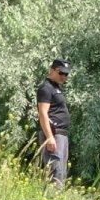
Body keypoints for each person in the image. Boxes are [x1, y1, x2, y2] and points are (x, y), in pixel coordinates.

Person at [35, 59, 71, 190]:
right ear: (53, 70)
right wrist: (49, 137)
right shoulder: (46, 88)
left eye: (66, 74)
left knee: (61, 171)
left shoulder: (56, 88)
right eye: (61, 73)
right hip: (54, 134)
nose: (64, 77)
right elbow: (43, 113)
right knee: (55, 171)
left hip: (62, 134)